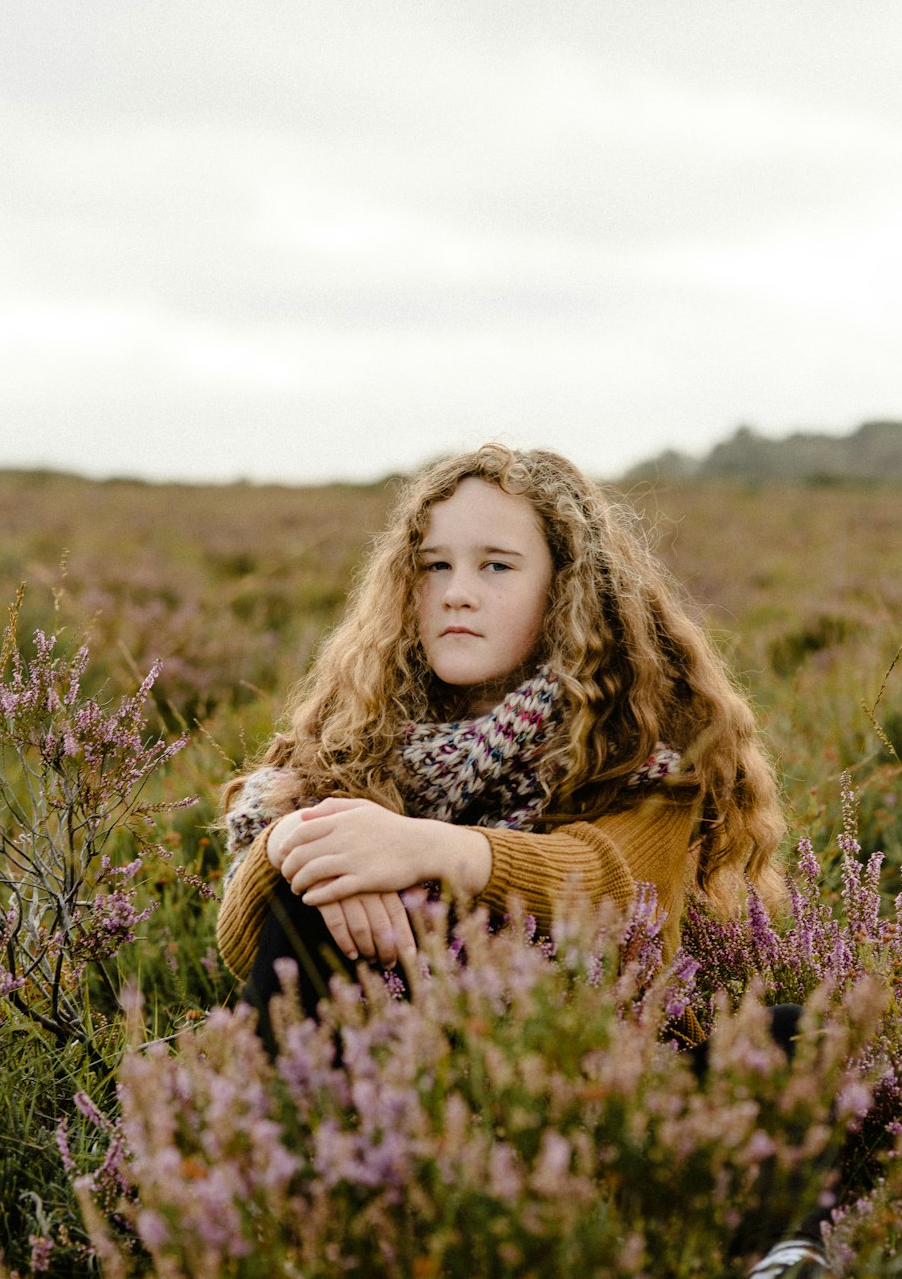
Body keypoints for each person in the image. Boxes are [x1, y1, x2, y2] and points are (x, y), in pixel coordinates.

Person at [216, 444, 828, 1277]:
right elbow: (244, 947)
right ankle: (296, 1229)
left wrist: (429, 848)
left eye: (497, 565)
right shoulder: (352, 735)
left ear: (567, 588)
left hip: (606, 1087)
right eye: (434, 566)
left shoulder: (642, 741)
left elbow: (617, 887)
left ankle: (780, 1260)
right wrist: (292, 847)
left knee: (793, 1042)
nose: (457, 591)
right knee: (305, 899)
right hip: (420, 1091)